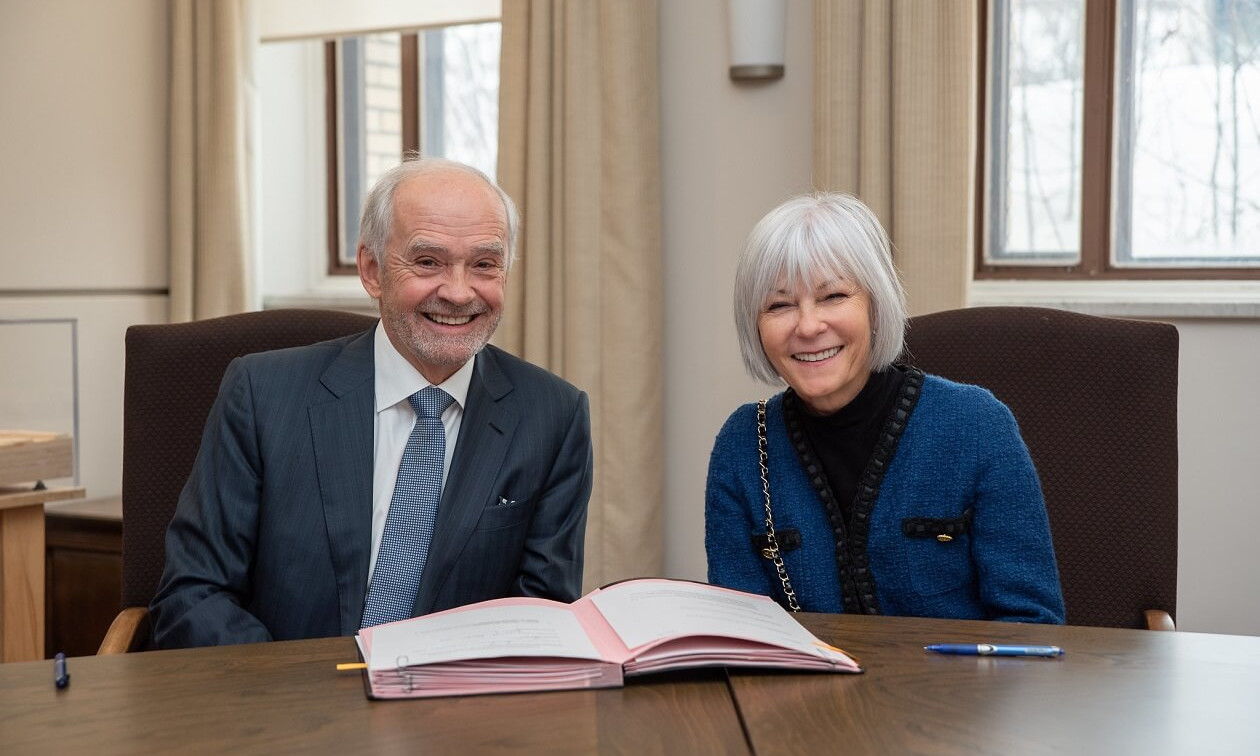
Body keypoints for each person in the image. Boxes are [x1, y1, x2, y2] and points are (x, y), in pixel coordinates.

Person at [151, 157, 594, 648]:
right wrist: (307, 704)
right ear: (371, 270)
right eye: (428, 262)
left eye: (485, 265)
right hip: (281, 705)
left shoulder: (553, 417)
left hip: (455, 711)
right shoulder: (261, 394)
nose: (459, 291)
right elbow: (194, 597)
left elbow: (538, 619)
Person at [705, 192, 1064, 623]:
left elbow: (1032, 626)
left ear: (876, 306)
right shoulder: (743, 445)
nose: (808, 326)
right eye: (780, 305)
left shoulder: (977, 426)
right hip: (803, 691)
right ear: (756, 326)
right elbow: (741, 636)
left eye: (833, 295)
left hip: (956, 690)